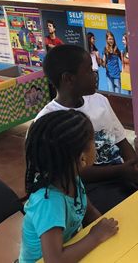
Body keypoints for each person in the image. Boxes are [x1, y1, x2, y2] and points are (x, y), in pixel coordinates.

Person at [37, 44, 138, 213]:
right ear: (68, 79)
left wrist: (135, 168)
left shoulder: (99, 100)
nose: (95, 74)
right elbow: (72, 174)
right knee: (127, 211)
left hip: (120, 172)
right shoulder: (49, 121)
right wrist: (122, 172)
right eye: (89, 70)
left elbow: (121, 141)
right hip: (89, 186)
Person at [19, 110, 119, 263]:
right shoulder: (49, 202)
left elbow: (89, 213)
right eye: (93, 140)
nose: (96, 145)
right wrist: (95, 237)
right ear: (82, 158)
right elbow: (54, 260)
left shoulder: (72, 179)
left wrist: (105, 232)